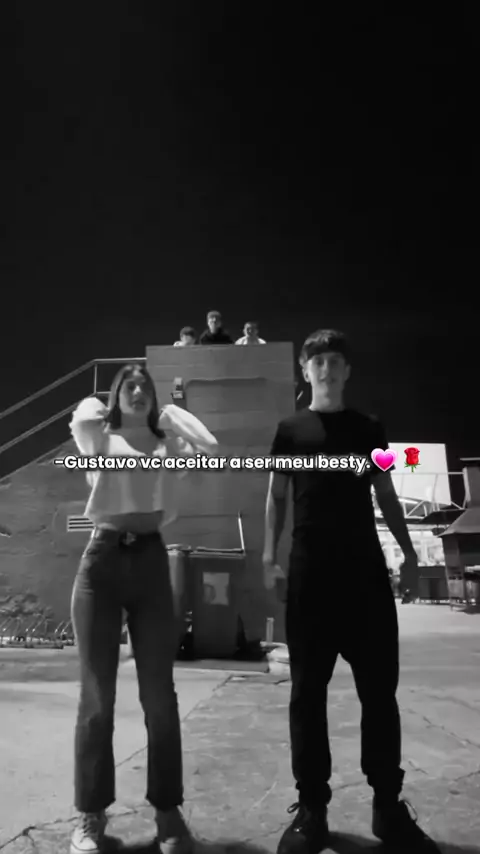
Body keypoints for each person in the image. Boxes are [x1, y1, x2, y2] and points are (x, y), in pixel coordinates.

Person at [263, 329, 439, 853]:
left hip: (364, 577)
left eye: (335, 361)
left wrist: (408, 554)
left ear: (347, 372)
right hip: (310, 577)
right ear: (305, 370)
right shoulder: (290, 431)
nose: (327, 369)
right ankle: (311, 810)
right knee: (307, 694)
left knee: (379, 695)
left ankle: (387, 806)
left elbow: (386, 492)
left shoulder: (369, 429)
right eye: (318, 361)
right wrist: (269, 557)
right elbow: (276, 496)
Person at [68, 363, 218, 854]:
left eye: (145, 387)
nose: (138, 391)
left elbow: (210, 450)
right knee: (97, 698)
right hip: (102, 562)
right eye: (128, 386)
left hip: (152, 561)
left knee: (160, 697)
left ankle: (168, 814)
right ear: (116, 396)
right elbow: (83, 414)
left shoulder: (167, 445)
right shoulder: (98, 437)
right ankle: (91, 815)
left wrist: (172, 418)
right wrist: (112, 409)